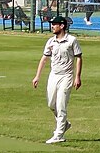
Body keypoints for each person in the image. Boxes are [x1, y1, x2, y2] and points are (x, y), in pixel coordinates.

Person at [32, 15, 83, 144]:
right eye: (52, 24)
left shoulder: (72, 40)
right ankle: (64, 124)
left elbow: (79, 58)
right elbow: (44, 59)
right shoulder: (51, 42)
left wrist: (77, 77)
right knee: (51, 104)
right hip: (53, 75)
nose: (52, 26)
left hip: (66, 76)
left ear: (62, 26)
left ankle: (59, 135)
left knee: (61, 105)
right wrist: (37, 76)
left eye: (55, 24)